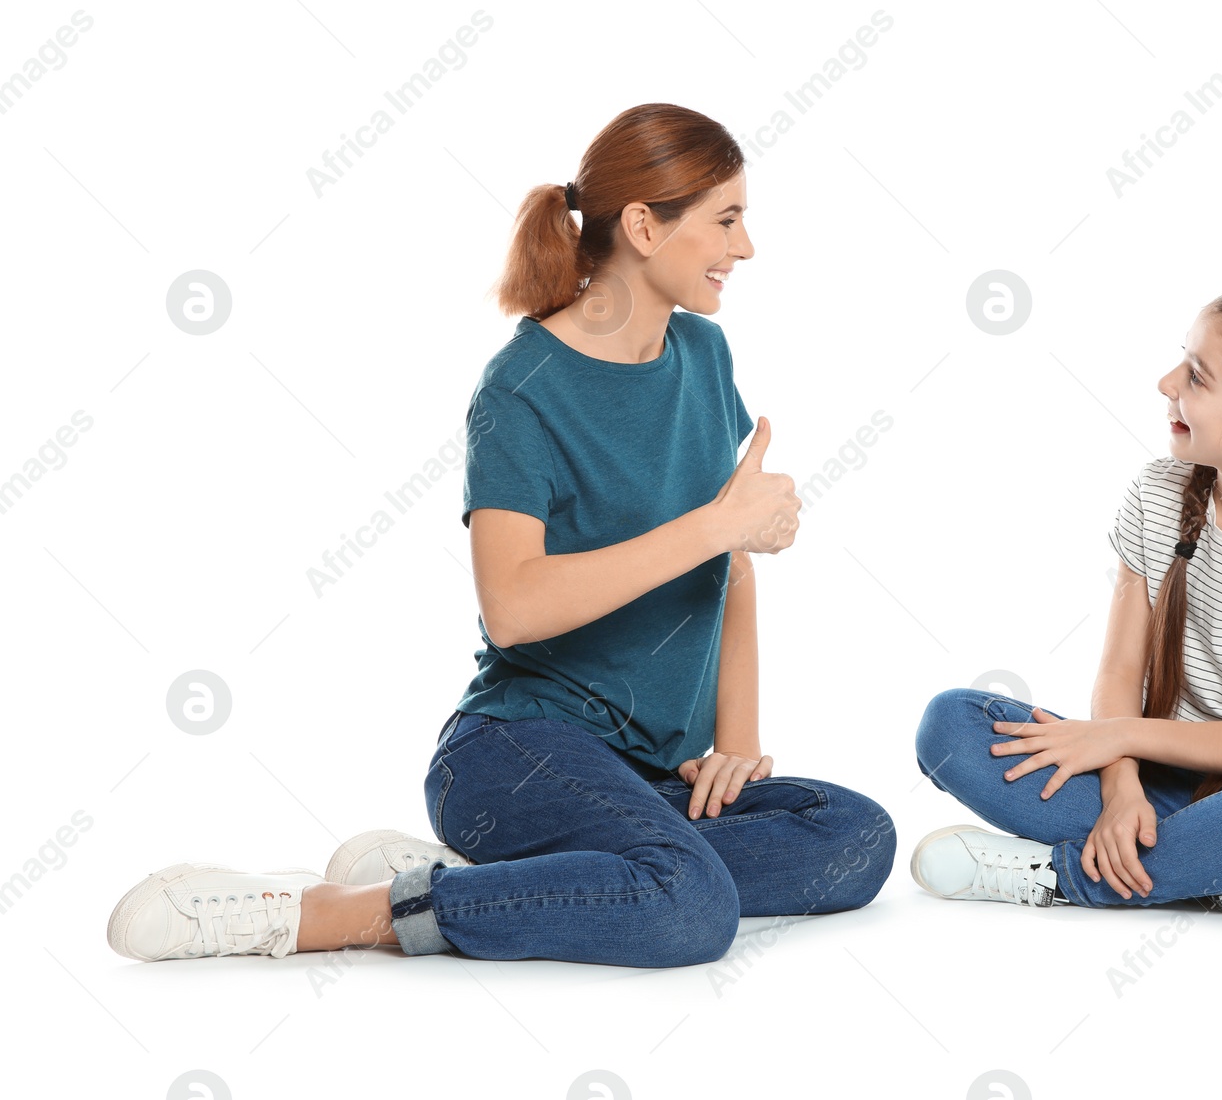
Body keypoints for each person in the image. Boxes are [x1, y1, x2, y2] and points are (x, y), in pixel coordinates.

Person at [108, 103, 896, 965]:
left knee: (855, 837)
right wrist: (716, 524)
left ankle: (523, 874)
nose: (745, 247)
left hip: (650, 777)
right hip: (515, 752)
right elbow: (514, 606)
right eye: (727, 220)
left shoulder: (703, 357)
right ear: (642, 224)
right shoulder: (522, 390)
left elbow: (728, 561)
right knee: (689, 904)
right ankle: (328, 913)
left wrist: (735, 747)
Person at [910, 282, 1222, 924]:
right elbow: (1119, 673)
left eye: (1197, 377)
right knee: (951, 725)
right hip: (1154, 783)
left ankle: (1062, 878)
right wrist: (1120, 784)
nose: (1166, 381)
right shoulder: (1157, 494)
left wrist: (1117, 738)